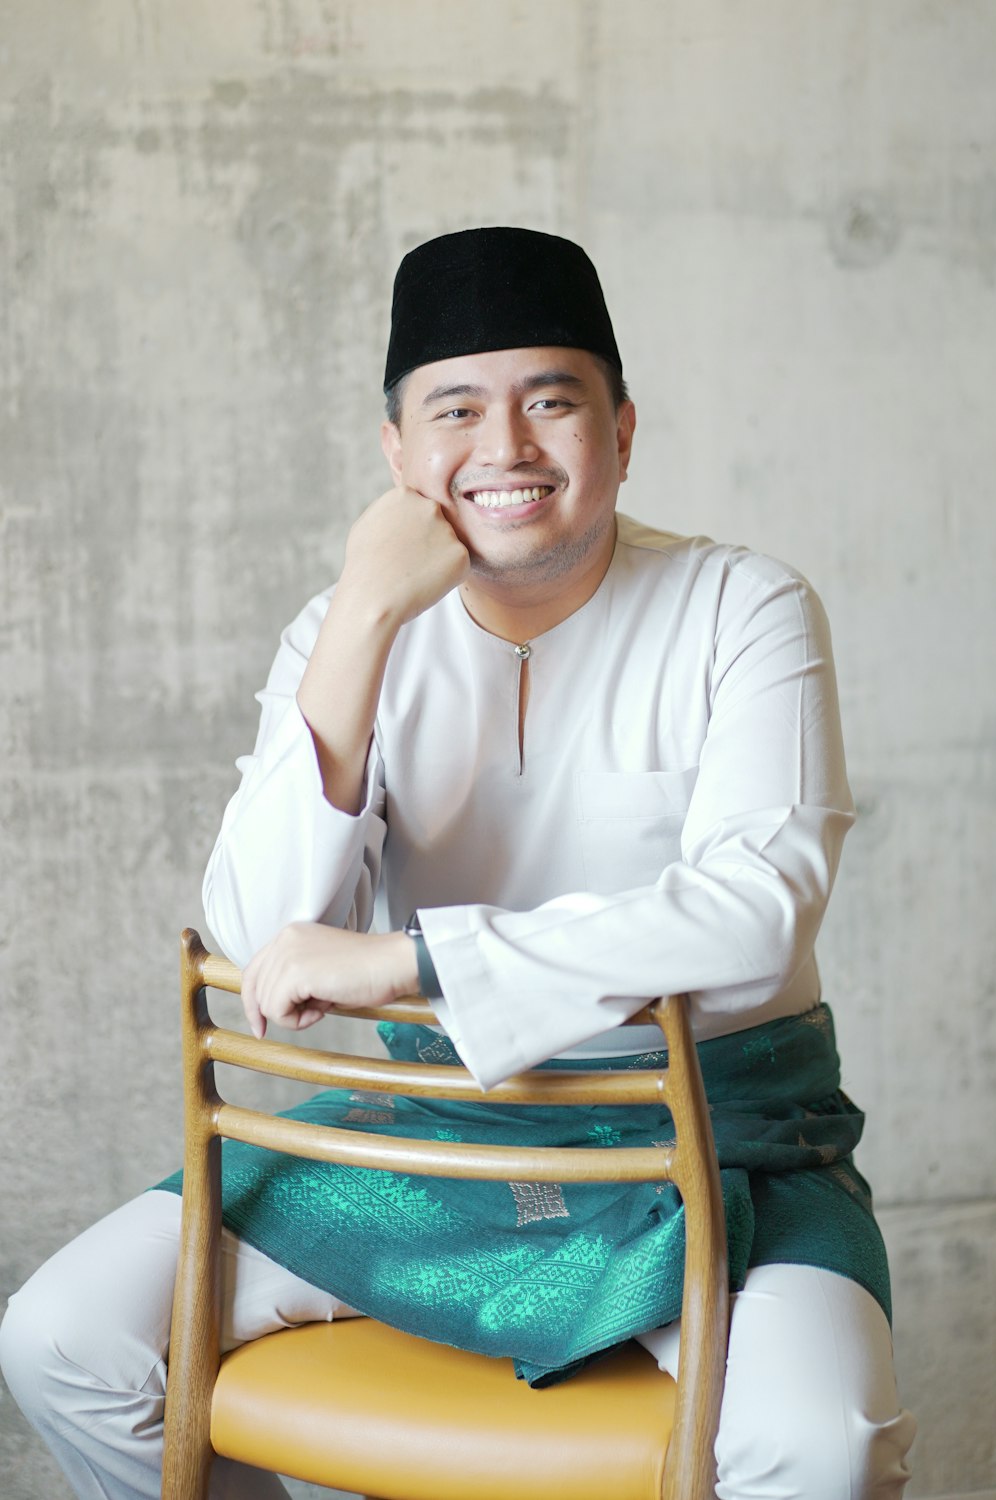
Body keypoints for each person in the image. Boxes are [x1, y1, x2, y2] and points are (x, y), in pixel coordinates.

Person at [0, 227, 916, 1498]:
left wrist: (405, 962)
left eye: (552, 400)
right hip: (432, 1141)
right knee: (62, 1337)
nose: (506, 448)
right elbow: (260, 933)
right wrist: (366, 616)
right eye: (456, 409)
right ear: (397, 453)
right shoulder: (343, 631)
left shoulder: (743, 605)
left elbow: (753, 918)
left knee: (818, 1443)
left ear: (623, 428)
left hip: (721, 1142)